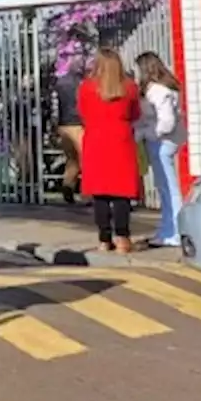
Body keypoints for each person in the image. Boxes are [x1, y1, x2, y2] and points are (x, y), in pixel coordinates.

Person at [77, 48, 141, 254]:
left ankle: (104, 239)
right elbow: (135, 114)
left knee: (100, 194)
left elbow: (83, 113)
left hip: (96, 140)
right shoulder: (129, 88)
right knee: (122, 193)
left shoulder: (87, 88)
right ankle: (123, 237)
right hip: (120, 140)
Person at [133, 52, 186, 248]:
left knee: (168, 189)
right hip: (161, 141)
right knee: (165, 188)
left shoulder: (158, 91)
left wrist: (147, 133)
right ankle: (167, 229)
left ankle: (175, 232)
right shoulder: (162, 88)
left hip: (162, 142)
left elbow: (166, 122)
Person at [54, 57, 86, 204]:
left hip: (63, 124)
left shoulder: (60, 83)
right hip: (77, 124)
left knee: (72, 159)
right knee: (85, 158)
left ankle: (68, 185)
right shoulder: (81, 83)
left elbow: (56, 105)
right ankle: (88, 193)